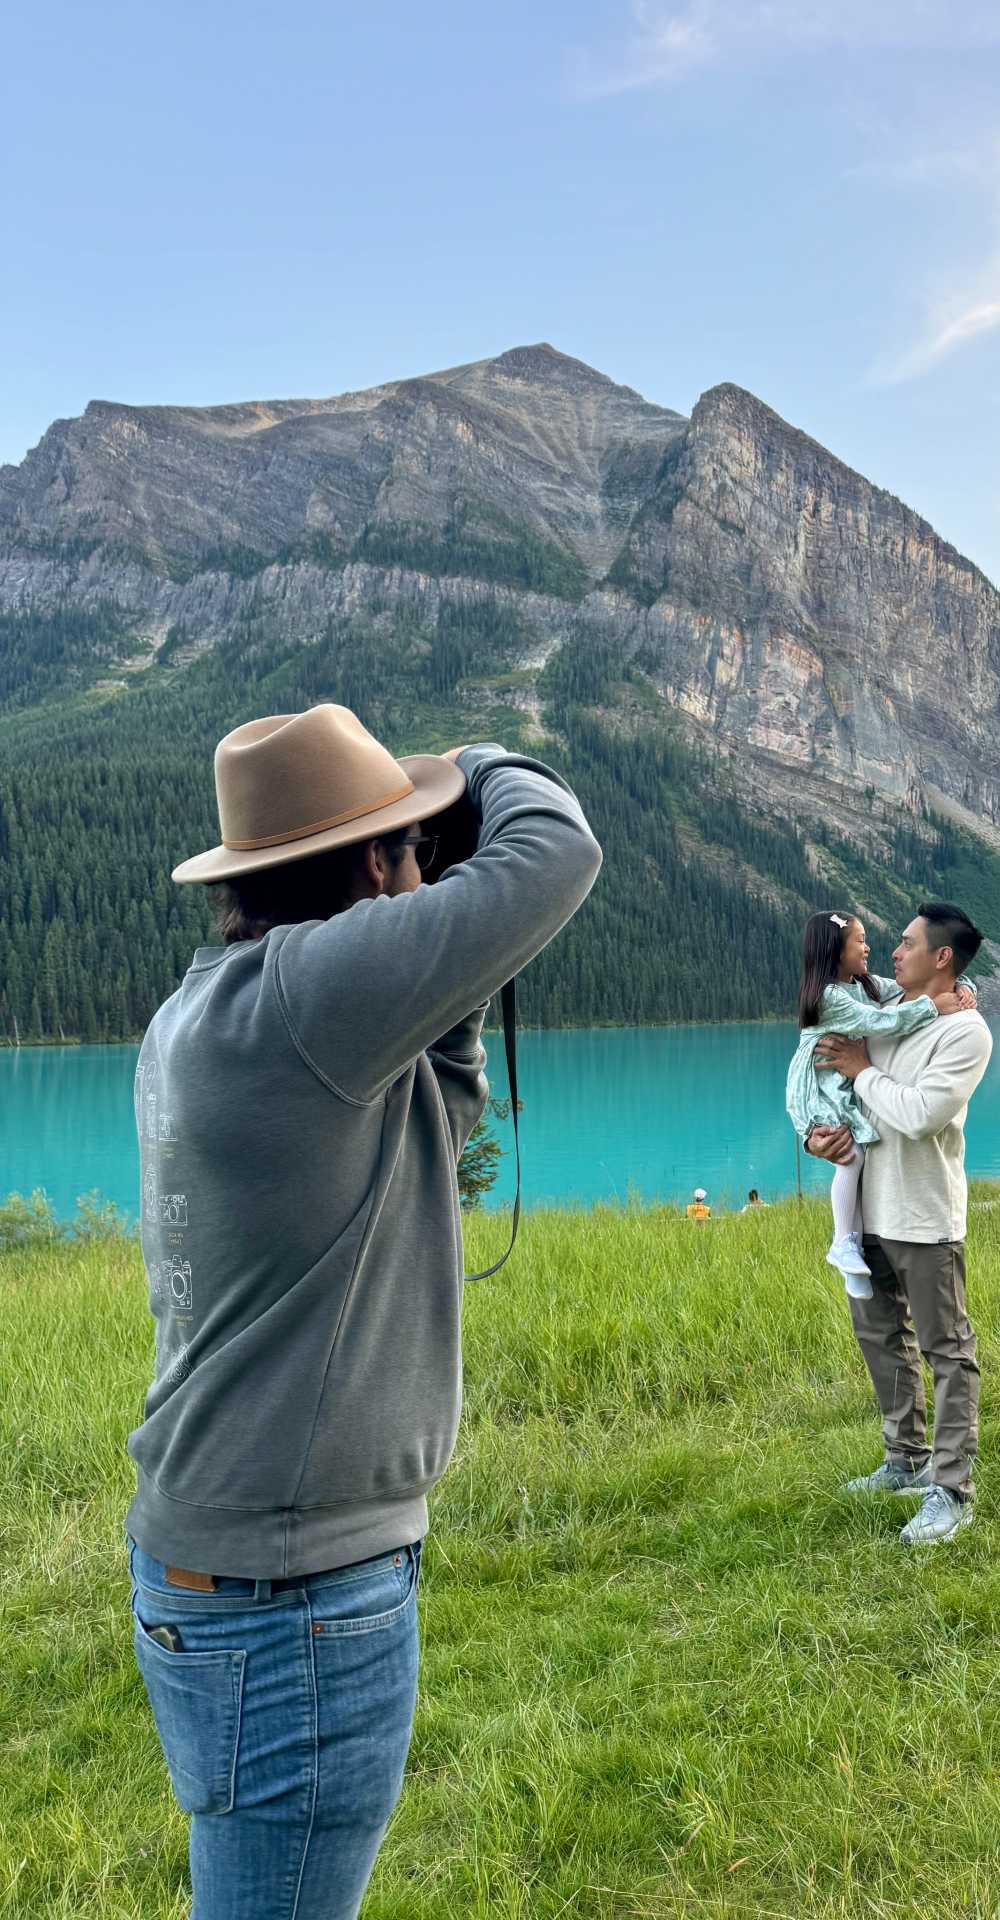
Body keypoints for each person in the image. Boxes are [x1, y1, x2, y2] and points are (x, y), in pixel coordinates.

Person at [124, 702, 601, 1919]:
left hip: (228, 1563)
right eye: (407, 851)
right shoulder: (308, 1000)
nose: (424, 876)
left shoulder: (214, 1007)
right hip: (293, 1599)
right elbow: (558, 851)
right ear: (371, 870)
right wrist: (473, 769)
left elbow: (433, 1107)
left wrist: (418, 875)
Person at [807, 902, 992, 1547]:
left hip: (923, 1216)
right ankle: (904, 1461)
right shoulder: (882, 1010)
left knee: (947, 1351)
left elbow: (917, 1115)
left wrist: (863, 1070)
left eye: (907, 943)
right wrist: (816, 1139)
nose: (892, 951)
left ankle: (951, 1489)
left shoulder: (966, 1033)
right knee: (881, 1340)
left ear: (942, 957)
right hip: (865, 1215)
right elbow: (827, 1087)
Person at [785, 911, 971, 1299]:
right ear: (837, 951)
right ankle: (843, 1243)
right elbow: (881, 1022)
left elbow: (901, 997)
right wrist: (936, 1007)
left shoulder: (866, 985)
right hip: (822, 1081)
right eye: (861, 941)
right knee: (851, 1156)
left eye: (907, 943)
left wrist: (964, 985)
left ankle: (847, 1249)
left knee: (853, 1155)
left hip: (843, 1085)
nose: (875, 948)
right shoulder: (831, 997)